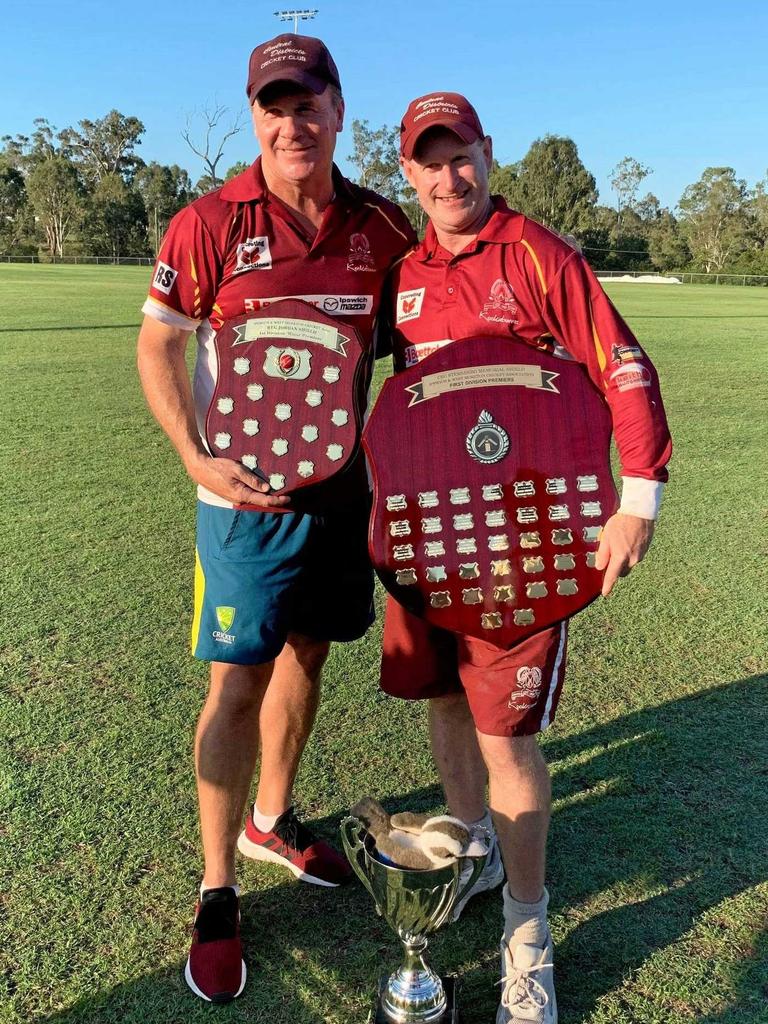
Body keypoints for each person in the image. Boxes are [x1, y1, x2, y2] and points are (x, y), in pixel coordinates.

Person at [380, 92, 672, 1024]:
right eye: (428, 162)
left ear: (486, 154)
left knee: (507, 736)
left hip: (525, 545)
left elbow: (624, 366)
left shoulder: (538, 255)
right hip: (429, 542)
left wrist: (639, 499)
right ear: (410, 174)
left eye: (458, 155)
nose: (446, 176)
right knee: (439, 699)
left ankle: (527, 930)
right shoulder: (406, 272)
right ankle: (475, 847)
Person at [136, 34, 415, 1003]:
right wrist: (191, 454)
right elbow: (155, 347)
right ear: (254, 115)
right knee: (235, 683)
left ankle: (272, 819)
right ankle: (219, 892)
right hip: (243, 508)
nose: (291, 122)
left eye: (309, 102)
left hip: (343, 505)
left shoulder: (382, 229)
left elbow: (414, 352)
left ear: (340, 110)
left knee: (309, 655)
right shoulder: (209, 223)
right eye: (273, 104)